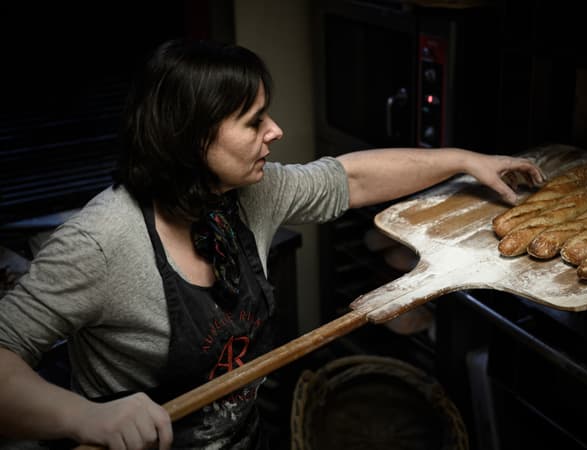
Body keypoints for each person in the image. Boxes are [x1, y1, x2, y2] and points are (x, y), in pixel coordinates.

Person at [0, 38, 544, 450]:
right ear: (192, 140)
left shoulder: (247, 195)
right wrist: (83, 417)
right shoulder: (100, 243)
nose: (275, 131)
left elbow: (350, 179)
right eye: (254, 120)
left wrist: (463, 160)